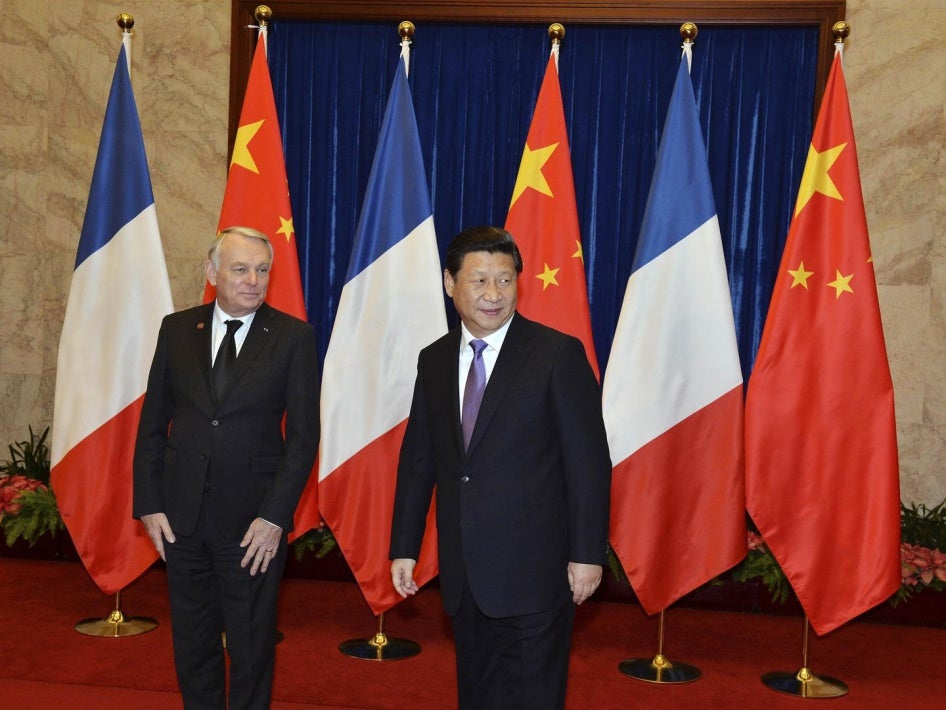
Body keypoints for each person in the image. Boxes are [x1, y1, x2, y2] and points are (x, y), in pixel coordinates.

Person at [390, 225, 611, 709]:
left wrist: (588, 553)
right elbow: (419, 457)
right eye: (480, 280)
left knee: (532, 697)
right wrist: (404, 546)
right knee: (478, 694)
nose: (493, 294)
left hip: (538, 571)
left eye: (505, 280)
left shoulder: (556, 354)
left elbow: (589, 463)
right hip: (465, 573)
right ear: (450, 284)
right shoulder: (435, 359)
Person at [133, 226, 320, 709]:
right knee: (192, 644)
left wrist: (275, 516)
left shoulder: (293, 337)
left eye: (262, 270)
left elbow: (303, 440)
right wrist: (150, 504)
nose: (253, 280)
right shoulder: (177, 329)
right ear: (212, 273)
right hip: (182, 520)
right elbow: (152, 423)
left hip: (253, 525)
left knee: (251, 646)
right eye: (240, 270)